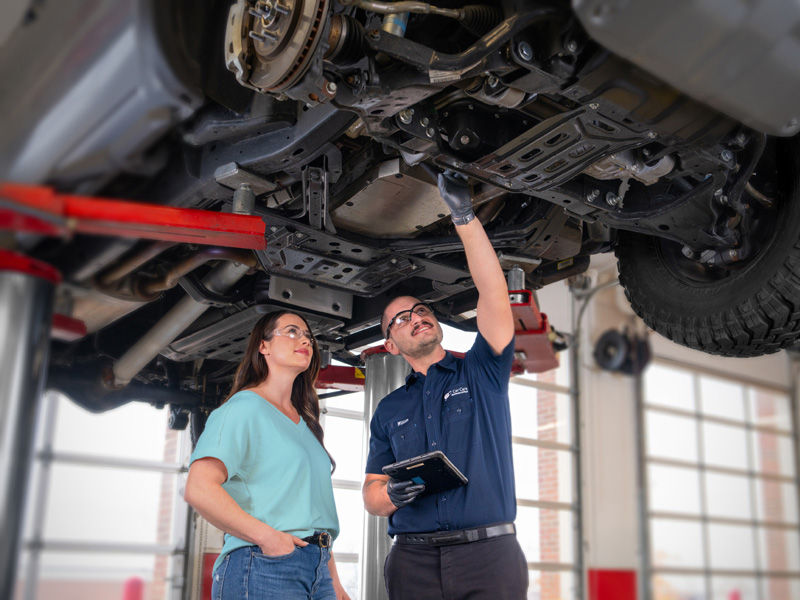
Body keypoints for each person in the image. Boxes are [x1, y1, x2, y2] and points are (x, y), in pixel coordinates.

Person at [362, 171, 528, 599]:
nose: (416, 317)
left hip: (489, 555)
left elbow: (492, 294)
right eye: (401, 319)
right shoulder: (389, 410)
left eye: (420, 310)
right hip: (412, 561)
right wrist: (392, 496)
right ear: (391, 345)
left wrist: (464, 216)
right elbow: (372, 496)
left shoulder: (482, 371)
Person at [184, 310, 350, 600]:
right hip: (266, 563)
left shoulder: (307, 424)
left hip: (318, 568)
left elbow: (313, 514)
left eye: (308, 336)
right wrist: (269, 539)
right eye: (292, 331)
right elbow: (199, 488)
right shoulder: (243, 408)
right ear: (264, 346)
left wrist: (335, 586)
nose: (305, 340)